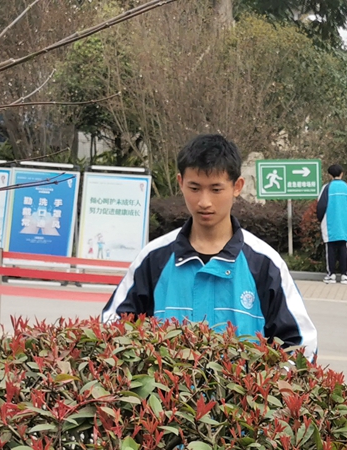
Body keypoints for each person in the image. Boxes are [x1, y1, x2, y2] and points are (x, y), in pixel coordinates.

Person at [103, 134, 318, 359]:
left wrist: (264, 389)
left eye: (216, 189)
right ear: (180, 183)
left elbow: (301, 344)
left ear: (237, 186)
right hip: (167, 395)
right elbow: (111, 328)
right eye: (194, 188)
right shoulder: (153, 258)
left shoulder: (264, 263)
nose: (204, 202)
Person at [316, 164, 347, 284]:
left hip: (329, 223)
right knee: (343, 248)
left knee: (330, 249)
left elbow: (321, 205)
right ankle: (345, 275)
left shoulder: (327, 187)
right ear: (342, 173)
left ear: (329, 175)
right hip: (344, 222)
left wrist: (320, 219)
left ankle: (331, 275)